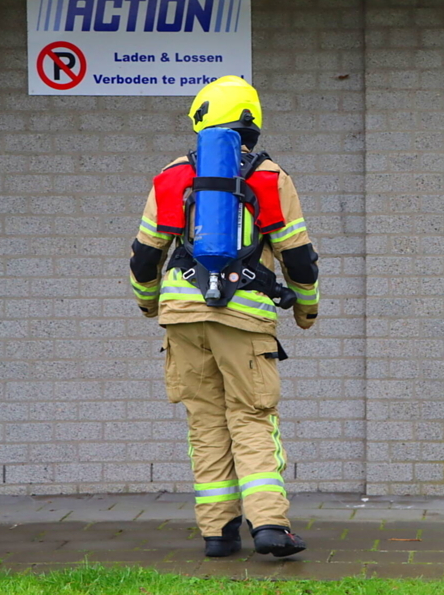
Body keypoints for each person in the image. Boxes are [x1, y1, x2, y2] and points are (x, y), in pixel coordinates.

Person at [129, 76, 319, 558]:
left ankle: (218, 533)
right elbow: (299, 258)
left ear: (201, 119)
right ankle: (270, 526)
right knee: (252, 417)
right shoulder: (270, 177)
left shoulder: (172, 176)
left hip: (181, 316)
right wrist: (306, 306)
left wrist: (151, 303)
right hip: (244, 317)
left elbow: (143, 258)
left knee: (205, 421)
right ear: (252, 122)